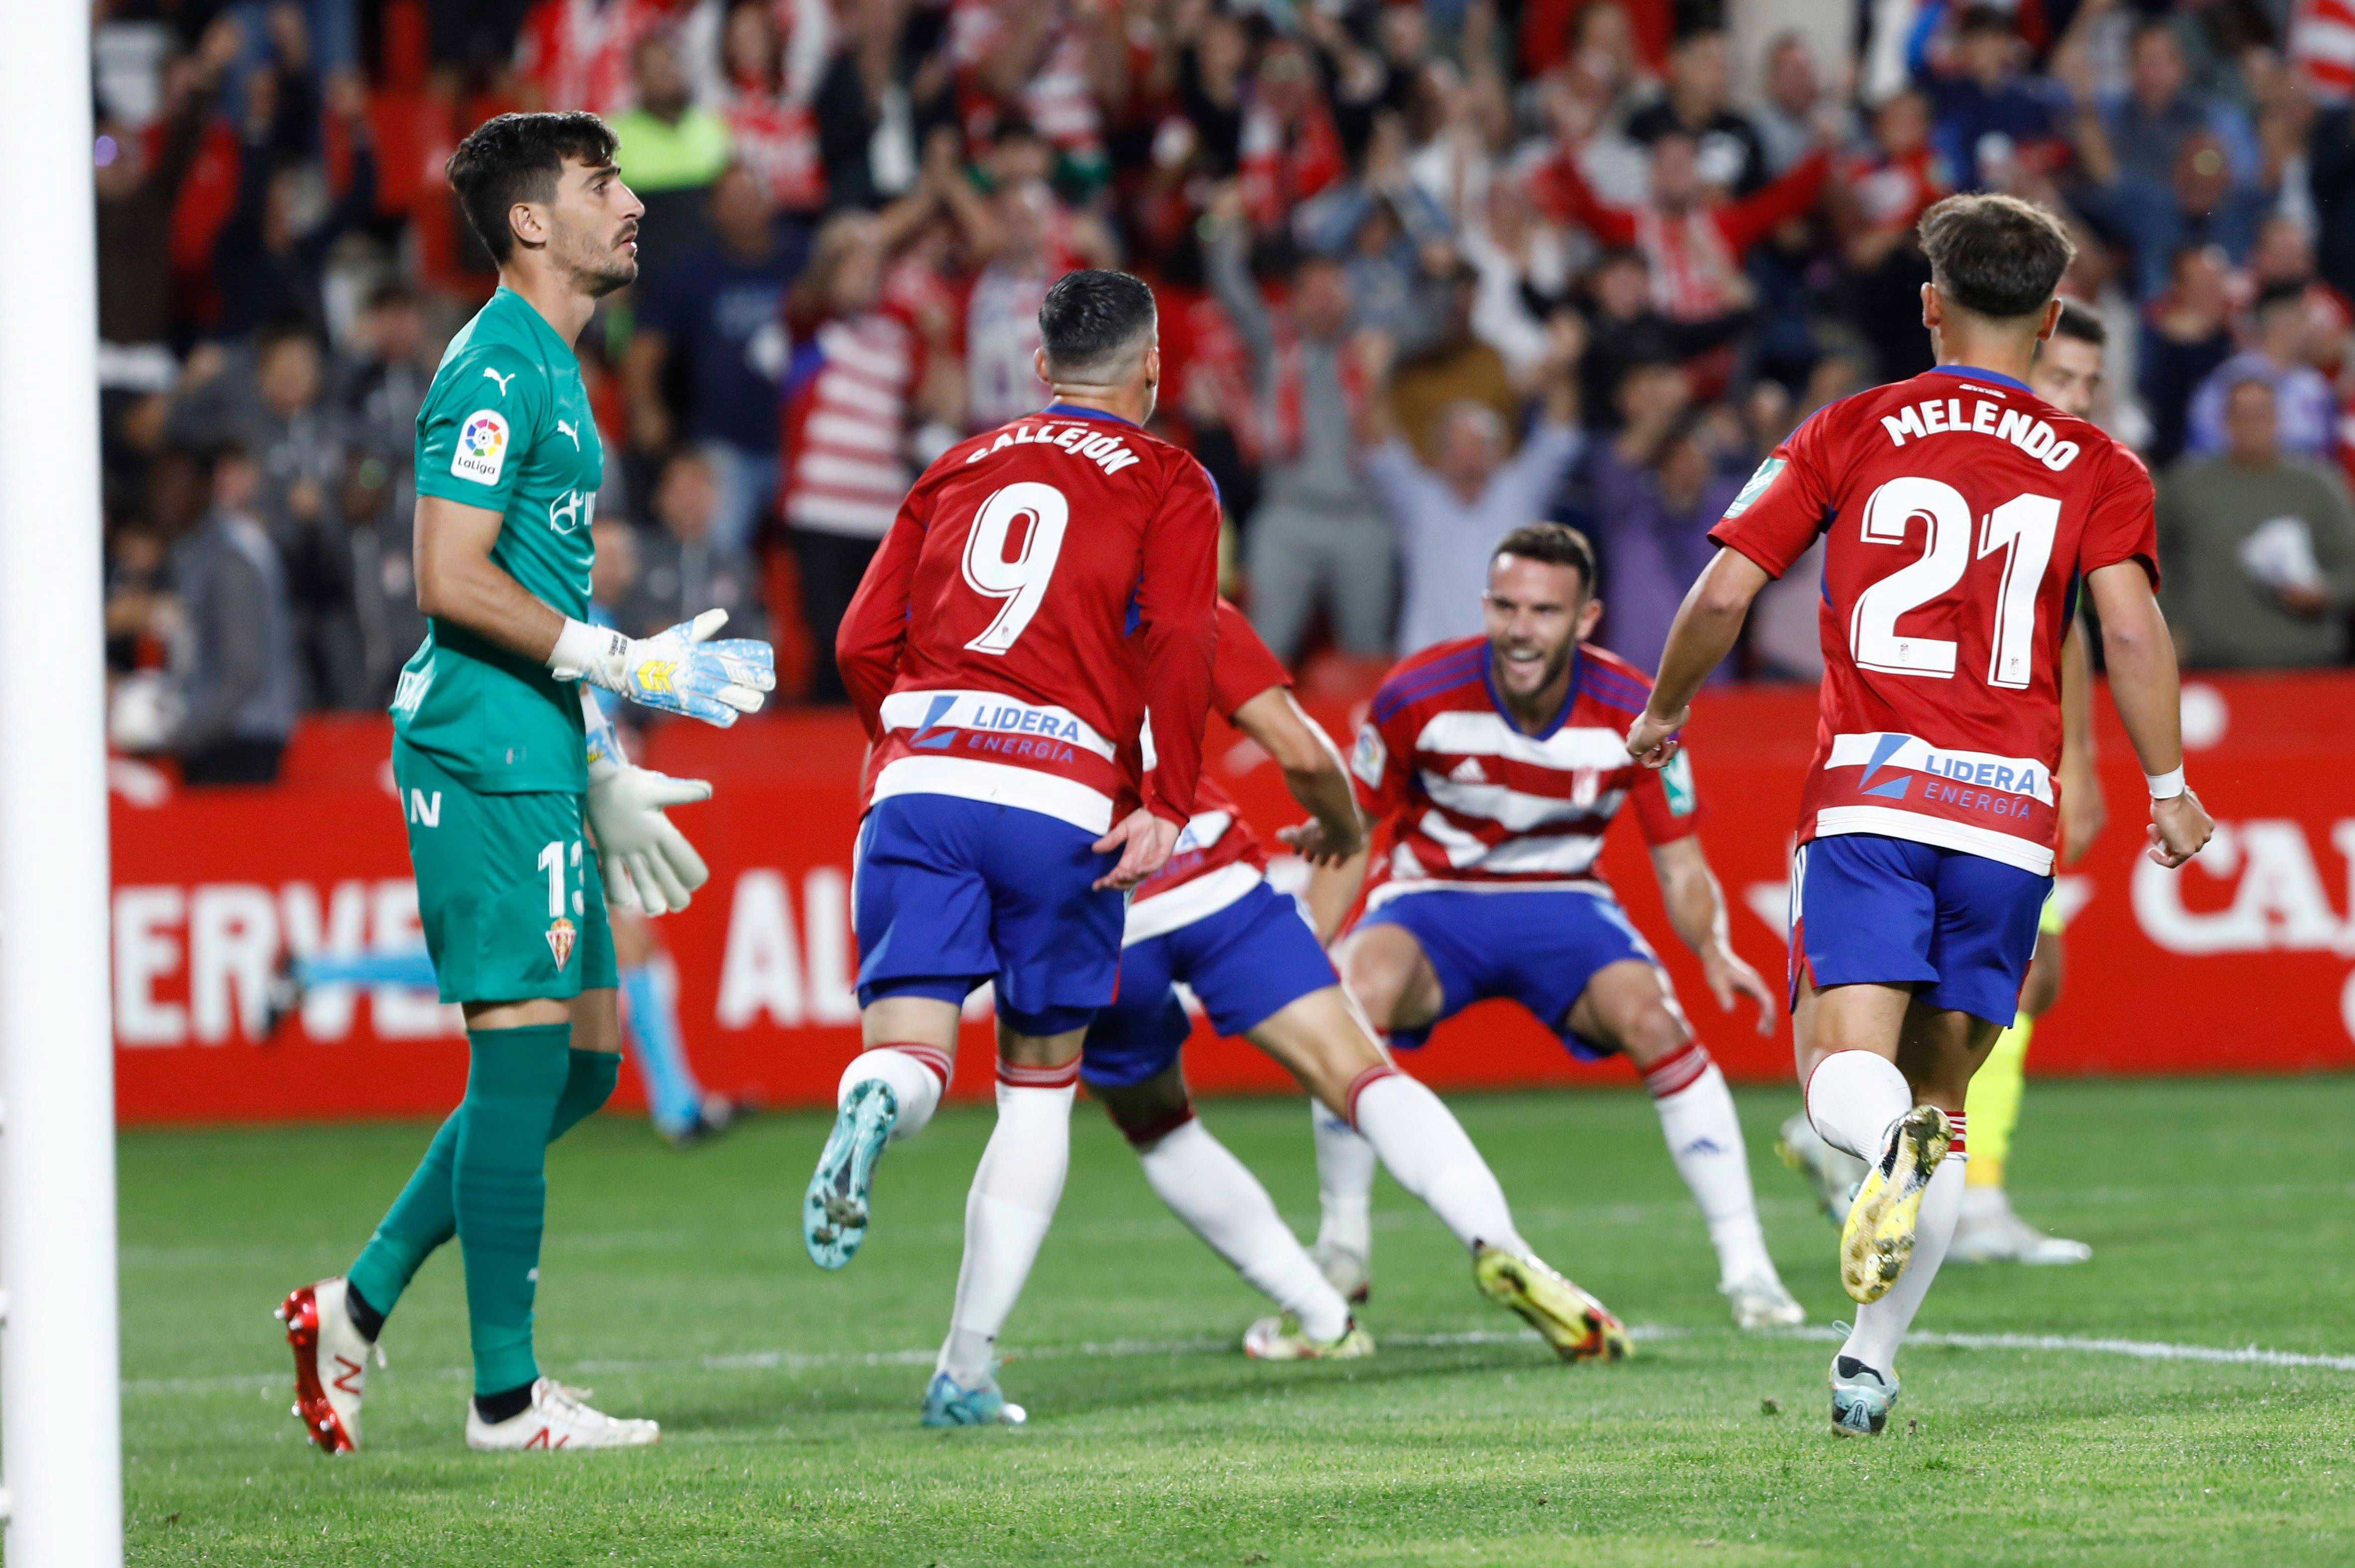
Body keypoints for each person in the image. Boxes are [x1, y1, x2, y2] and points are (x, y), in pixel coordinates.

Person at [1625, 192, 2214, 1435]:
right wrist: (2166, 786)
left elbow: (1725, 587)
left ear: (1929, 303)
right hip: (2006, 822)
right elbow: (2124, 628)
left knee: (1839, 1072)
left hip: (1871, 796)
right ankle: (1865, 1360)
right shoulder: (2097, 465)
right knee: (1936, 1114)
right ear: (2049, 314)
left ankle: (1873, 1162)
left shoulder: (1849, 425)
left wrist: (1663, 709)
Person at [278, 111, 776, 1457]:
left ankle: (354, 1304)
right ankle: (504, 1399)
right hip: (482, 746)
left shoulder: (557, 365)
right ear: (528, 224)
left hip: (540, 742)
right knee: (518, 1056)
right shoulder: (497, 366)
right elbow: (449, 577)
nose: (630, 203)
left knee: (588, 1065)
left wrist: (600, 752)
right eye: (601, 182)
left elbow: (533, 584)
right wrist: (617, 662)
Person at [811, 269, 1222, 1427]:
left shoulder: (958, 462)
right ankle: (964, 1368)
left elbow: (856, 637)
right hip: (1061, 797)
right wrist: (1166, 796)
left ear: (1038, 370)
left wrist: (896, 744)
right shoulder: (1168, 475)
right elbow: (1182, 638)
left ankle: (875, 1098)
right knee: (1036, 1095)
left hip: (925, 777)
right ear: (1152, 369)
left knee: (910, 1052)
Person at [1080, 601, 1635, 1363]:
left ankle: (1320, 1316)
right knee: (1363, 1074)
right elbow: (1306, 755)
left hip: (1091, 904)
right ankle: (1499, 1242)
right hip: (1211, 869)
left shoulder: (997, 614)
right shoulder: (1192, 609)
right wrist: (1343, 829)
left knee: (1147, 1125)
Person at [1312, 523, 1804, 1332]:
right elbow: (1348, 836)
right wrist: (1313, 949)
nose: (1519, 628)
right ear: (1484, 606)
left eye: (1543, 611)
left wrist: (1710, 946)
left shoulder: (1638, 709)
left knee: (1654, 1019)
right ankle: (1342, 1244)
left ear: (1584, 619)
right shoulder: (1413, 693)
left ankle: (1747, 1269)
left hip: (1566, 902)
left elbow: (1678, 863)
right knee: (1346, 999)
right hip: (1433, 900)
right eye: (1504, 606)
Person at [1776, 299, 2117, 1262]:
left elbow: (2063, 628)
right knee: (1949, 1003)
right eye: (2065, 377)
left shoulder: (2042, 460)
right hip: (1944, 768)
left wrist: (2079, 759)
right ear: (2027, 347)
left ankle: (1882, 1144)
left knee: (2010, 985)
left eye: (2091, 385)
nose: (2076, 398)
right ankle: (1929, 1168)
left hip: (1976, 775)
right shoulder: (2005, 451)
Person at [1365, 320, 1586, 655]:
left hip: (1510, 663)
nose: (1467, 457)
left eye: (1478, 445)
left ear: (1498, 453)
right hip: (1430, 667)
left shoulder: (1519, 489)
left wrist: (1564, 367)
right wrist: (1374, 379)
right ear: (1437, 455)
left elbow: (1560, 434)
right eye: (1456, 446)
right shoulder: (1420, 497)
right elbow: (1381, 445)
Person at [2158, 375, 2355, 668]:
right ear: (2224, 420)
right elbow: (2152, 560)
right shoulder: (2186, 485)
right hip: (2210, 665)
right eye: (2241, 414)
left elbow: (2350, 567)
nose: (2252, 424)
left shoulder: (2320, 486)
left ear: (2279, 418)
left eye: (2262, 413)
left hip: (2309, 665)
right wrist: (2166, 627)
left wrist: (2325, 593)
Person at [168, 444, 299, 785]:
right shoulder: (242, 543)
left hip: (235, 739)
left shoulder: (231, 554)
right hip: (244, 731)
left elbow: (241, 668)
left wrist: (187, 734)